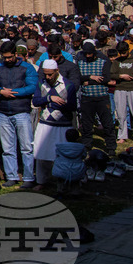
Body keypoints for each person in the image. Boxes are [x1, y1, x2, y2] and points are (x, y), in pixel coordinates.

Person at [0, 41, 38, 188]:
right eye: (5, 58)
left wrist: (15, 93)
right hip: (4, 111)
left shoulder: (27, 68)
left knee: (26, 147)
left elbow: (32, 86)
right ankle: (11, 175)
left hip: (21, 110)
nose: (8, 60)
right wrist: (0, 91)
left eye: (10, 57)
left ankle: (29, 177)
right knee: (7, 147)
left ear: (16, 54)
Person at [33, 59, 78, 190]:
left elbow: (72, 106)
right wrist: (49, 99)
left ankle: (63, 179)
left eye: (50, 74)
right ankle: (41, 180)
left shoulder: (68, 85)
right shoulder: (41, 83)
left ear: (57, 71)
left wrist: (49, 103)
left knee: (63, 155)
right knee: (42, 154)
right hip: (45, 123)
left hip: (63, 124)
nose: (48, 77)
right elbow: (36, 101)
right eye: (46, 74)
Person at [75, 41, 116, 155]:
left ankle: (111, 146)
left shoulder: (103, 61)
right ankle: (87, 144)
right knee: (87, 124)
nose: (88, 56)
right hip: (87, 97)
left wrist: (89, 81)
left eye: (90, 54)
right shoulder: (80, 62)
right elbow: (78, 77)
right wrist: (90, 77)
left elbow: (107, 78)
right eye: (86, 54)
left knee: (107, 123)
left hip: (102, 96)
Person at [110, 41, 133, 144]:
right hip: (120, 88)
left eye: (124, 52)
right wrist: (121, 76)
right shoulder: (116, 61)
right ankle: (122, 135)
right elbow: (112, 74)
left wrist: (127, 77)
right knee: (121, 113)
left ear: (128, 50)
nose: (122, 54)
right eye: (120, 52)